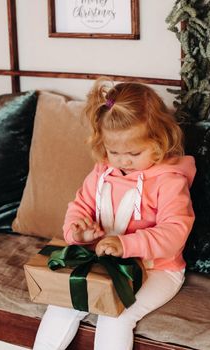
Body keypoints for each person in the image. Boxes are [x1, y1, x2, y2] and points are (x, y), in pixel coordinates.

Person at [33, 79, 196, 350]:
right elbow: (79, 206)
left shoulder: (169, 181)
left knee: (116, 316)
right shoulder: (102, 172)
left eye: (134, 152)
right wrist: (78, 231)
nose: (123, 160)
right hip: (103, 264)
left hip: (157, 271)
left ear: (159, 140)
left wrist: (125, 244)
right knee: (62, 305)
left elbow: (175, 231)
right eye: (114, 151)